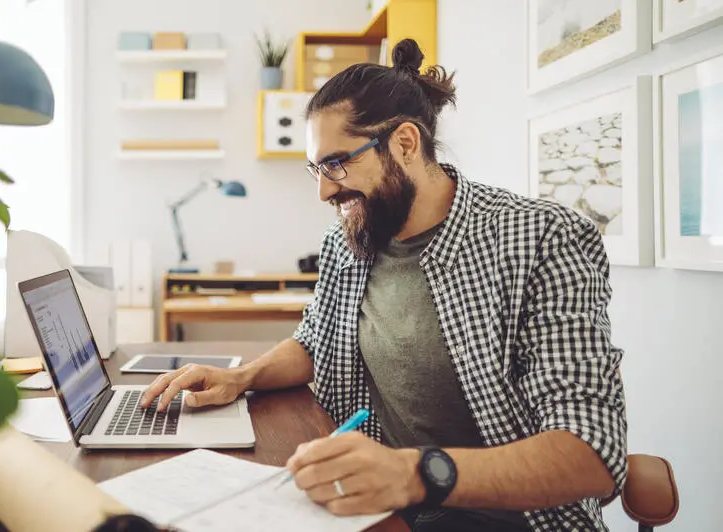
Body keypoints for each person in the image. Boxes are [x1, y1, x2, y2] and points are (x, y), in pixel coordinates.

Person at [140, 38, 626, 532]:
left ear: (406, 144)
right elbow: (316, 342)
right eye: (316, 168)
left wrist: (415, 474)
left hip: (507, 517)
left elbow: (590, 452)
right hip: (382, 504)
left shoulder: (543, 237)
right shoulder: (350, 240)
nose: (324, 190)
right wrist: (242, 377)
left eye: (335, 164)